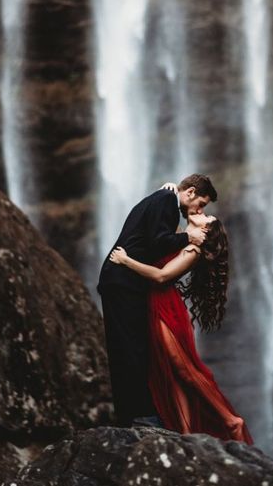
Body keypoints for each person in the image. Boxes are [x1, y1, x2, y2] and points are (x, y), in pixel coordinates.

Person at [109, 210, 254, 444]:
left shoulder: (193, 250)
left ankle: (230, 419)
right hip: (156, 304)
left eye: (207, 217)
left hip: (166, 307)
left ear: (206, 230)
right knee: (175, 373)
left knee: (183, 369)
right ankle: (186, 433)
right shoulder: (182, 239)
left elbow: (161, 276)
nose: (202, 212)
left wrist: (126, 261)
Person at [97, 174, 218, 427]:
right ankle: (141, 415)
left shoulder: (165, 199)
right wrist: (189, 238)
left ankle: (135, 414)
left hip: (125, 281)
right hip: (123, 282)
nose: (199, 210)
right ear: (191, 192)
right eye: (202, 204)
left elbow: (156, 240)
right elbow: (159, 242)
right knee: (131, 347)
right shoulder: (166, 201)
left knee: (130, 347)